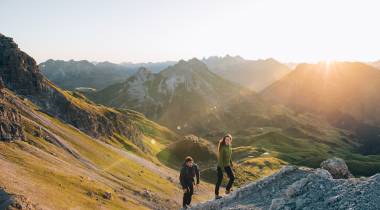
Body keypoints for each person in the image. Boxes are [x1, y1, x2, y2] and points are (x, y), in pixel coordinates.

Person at [215, 134, 235, 199]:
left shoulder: (229, 147)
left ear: (230, 140)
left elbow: (229, 156)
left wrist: (231, 163)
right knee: (219, 180)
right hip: (220, 166)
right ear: (224, 140)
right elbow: (220, 159)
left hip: (227, 165)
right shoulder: (222, 148)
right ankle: (216, 195)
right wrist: (222, 169)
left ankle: (227, 190)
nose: (227, 140)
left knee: (232, 177)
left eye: (229, 139)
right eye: (226, 139)